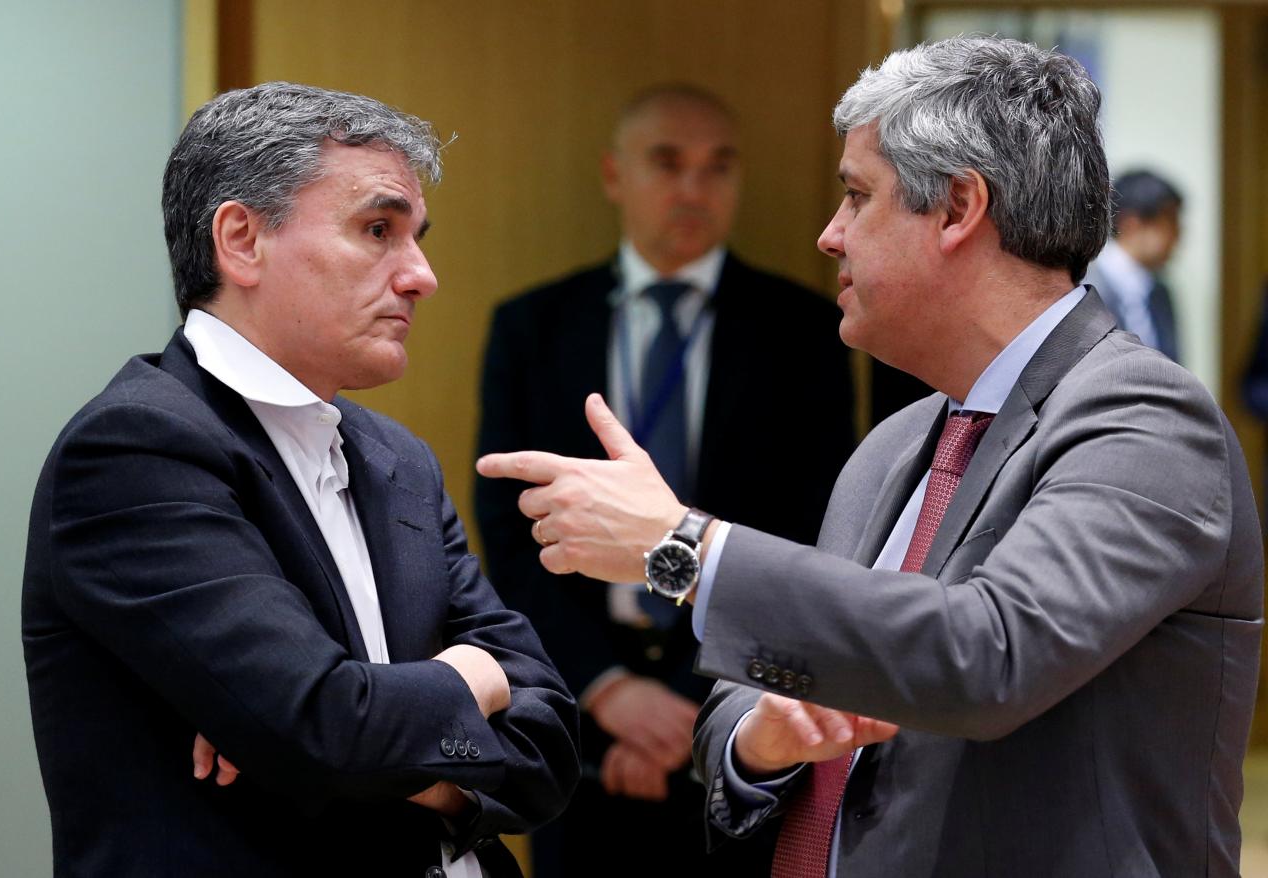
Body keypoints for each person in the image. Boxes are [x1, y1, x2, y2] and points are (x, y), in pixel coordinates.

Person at [478, 36, 1263, 877]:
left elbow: (988, 655)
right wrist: (763, 741)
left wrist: (684, 547)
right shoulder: (895, 443)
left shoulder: (1147, 419)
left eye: (857, 197)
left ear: (959, 208)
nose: (828, 235)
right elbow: (750, 697)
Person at [22, 82, 579, 878]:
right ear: (243, 240)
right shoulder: (135, 449)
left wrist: (375, 737)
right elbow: (324, 731)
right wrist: (471, 677)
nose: (421, 275)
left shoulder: (398, 460)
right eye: (378, 230)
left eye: (417, 237)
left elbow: (549, 749)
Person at [474, 84, 853, 876]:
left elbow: (817, 533)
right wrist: (606, 690)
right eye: (667, 163)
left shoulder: (808, 334)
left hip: (740, 709)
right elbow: (508, 537)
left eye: (718, 167)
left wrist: (691, 703)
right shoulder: (533, 326)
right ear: (615, 176)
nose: (693, 188)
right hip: (573, 716)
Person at [1083, 168, 1184, 361]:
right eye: (1170, 221)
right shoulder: (1085, 287)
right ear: (1132, 225)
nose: (1178, 235)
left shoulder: (1161, 293)